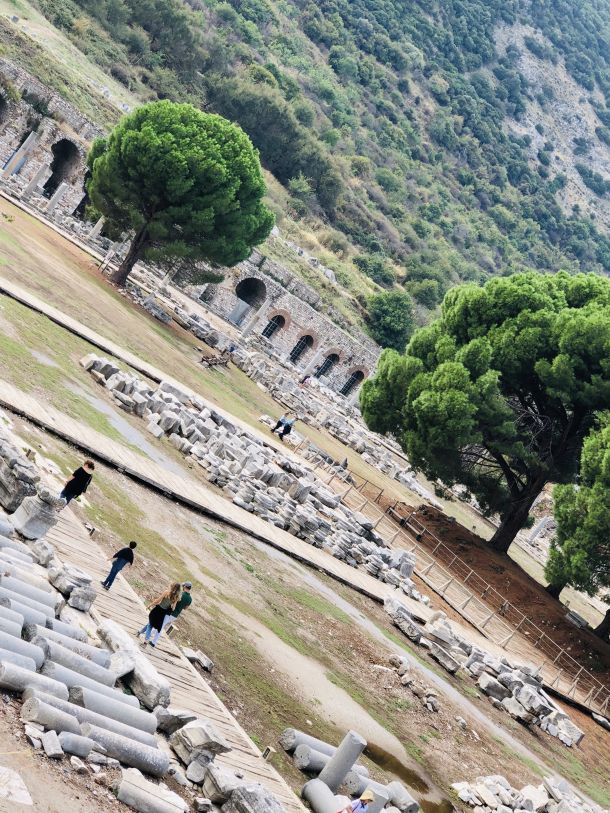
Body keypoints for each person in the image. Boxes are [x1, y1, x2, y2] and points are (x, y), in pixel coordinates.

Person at [136, 582, 181, 648]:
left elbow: (158, 600)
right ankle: (139, 632)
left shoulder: (166, 592)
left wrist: (149, 605)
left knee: (150, 625)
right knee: (150, 623)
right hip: (163, 613)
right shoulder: (176, 597)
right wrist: (172, 603)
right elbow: (173, 608)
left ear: (172, 586)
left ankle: (145, 642)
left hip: (158, 610)